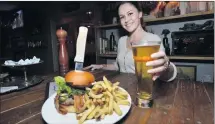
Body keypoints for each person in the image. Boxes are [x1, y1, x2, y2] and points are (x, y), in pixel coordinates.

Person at [85, 1, 177, 82]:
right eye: (122, 17)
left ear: (140, 14)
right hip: (124, 90)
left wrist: (167, 67)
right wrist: (101, 66)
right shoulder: (122, 41)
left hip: (144, 89)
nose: (126, 20)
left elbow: (164, 70)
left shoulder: (153, 40)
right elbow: (119, 65)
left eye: (130, 14)